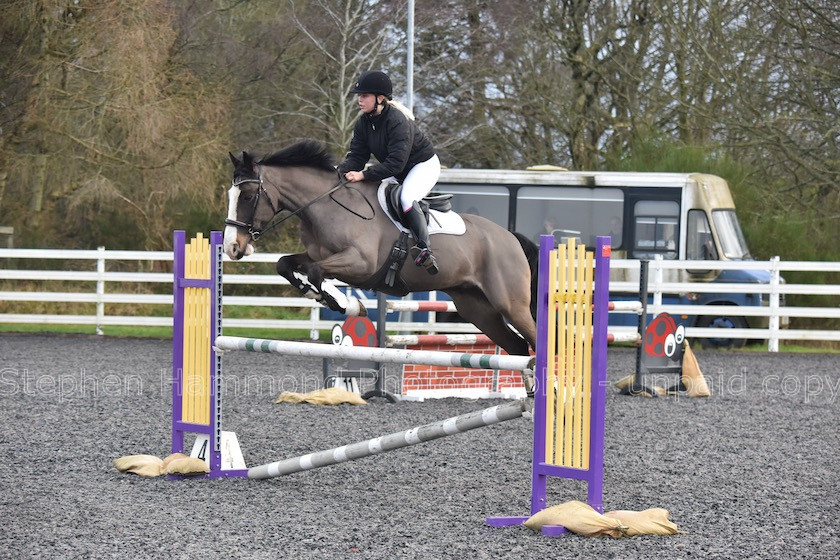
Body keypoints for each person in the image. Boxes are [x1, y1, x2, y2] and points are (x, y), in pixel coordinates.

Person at [337, 70, 441, 274]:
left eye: (364, 96)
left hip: (422, 165)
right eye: (359, 96)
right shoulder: (363, 123)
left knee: (406, 197)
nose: (360, 100)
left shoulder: (397, 121)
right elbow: (357, 157)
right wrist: (338, 173)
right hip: (398, 169)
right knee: (373, 196)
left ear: (380, 98)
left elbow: (395, 164)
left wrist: (363, 175)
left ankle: (424, 248)